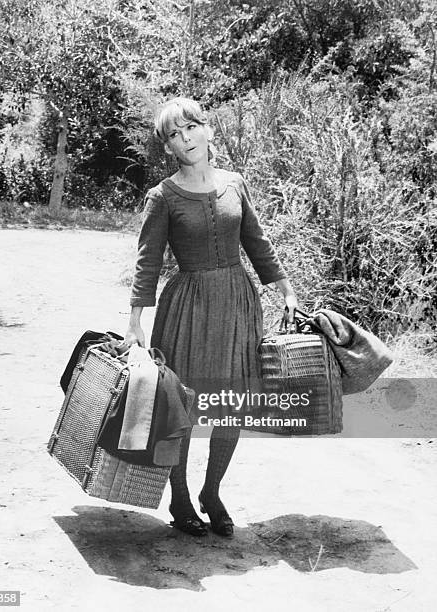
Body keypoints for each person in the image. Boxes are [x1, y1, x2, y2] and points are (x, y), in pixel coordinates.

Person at [122, 97, 298, 537]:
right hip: (188, 310)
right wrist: (135, 322)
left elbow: (256, 242)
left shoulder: (234, 183)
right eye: (174, 135)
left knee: (231, 406)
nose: (186, 140)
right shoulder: (162, 197)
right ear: (168, 148)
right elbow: (147, 263)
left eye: (191, 128)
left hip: (238, 305)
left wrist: (286, 289)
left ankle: (212, 493)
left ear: (207, 130)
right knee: (184, 408)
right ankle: (179, 499)